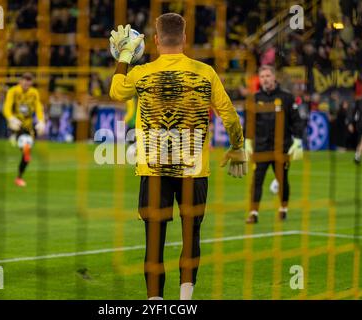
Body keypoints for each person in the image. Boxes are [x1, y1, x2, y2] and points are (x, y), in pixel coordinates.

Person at [109, 14, 246, 300]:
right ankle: (185, 301)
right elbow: (230, 116)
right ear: (184, 39)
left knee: (154, 240)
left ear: (156, 40)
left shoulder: (141, 73)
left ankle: (155, 301)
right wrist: (237, 147)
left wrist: (124, 55)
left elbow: (115, 91)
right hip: (193, 170)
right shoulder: (205, 72)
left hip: (153, 168)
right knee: (191, 235)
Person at [244, 65, 304, 224]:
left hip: (281, 148)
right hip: (261, 149)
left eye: (268, 76)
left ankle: (283, 208)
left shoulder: (287, 97)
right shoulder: (254, 98)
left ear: (274, 77)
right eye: (262, 76)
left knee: (282, 180)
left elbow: (296, 121)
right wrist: (247, 141)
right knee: (256, 181)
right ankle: (253, 213)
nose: (265, 79)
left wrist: (298, 141)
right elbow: (249, 123)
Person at [3, 73, 46, 187]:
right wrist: (10, 118)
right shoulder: (13, 91)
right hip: (16, 124)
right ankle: (16, 138)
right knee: (26, 150)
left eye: (29, 82)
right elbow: (7, 106)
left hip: (28, 126)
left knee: (27, 157)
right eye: (25, 81)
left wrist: (41, 121)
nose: (27, 84)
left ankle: (19, 178)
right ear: (20, 81)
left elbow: (38, 107)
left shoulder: (34, 92)